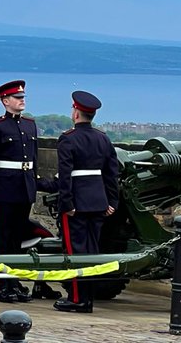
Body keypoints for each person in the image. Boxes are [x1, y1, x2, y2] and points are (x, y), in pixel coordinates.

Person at [53, 90, 120, 314]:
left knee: (76, 252)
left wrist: (67, 204)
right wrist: (112, 201)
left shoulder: (68, 138)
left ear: (76, 113)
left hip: (77, 204)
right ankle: (87, 297)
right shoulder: (103, 138)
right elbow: (112, 174)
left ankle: (77, 298)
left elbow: (65, 176)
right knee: (92, 252)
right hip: (98, 202)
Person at [0, 79, 39, 303]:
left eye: (23, 97)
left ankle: (14, 281)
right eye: (17, 98)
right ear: (5, 101)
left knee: (17, 240)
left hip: (23, 189)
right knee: (2, 239)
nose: (22, 100)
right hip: (4, 190)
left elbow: (33, 159)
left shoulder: (29, 124)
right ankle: (1, 285)